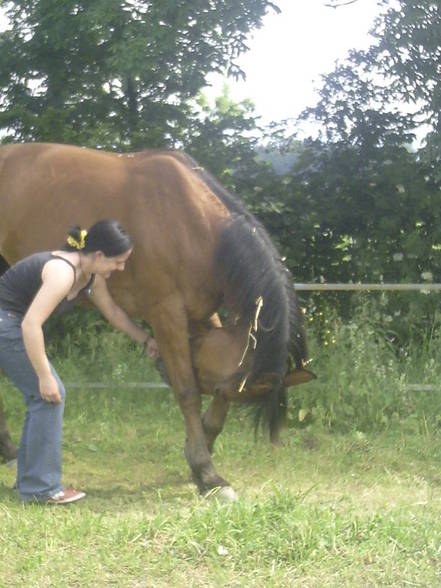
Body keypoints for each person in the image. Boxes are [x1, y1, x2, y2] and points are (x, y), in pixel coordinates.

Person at [0, 220, 159, 504]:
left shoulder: (89, 277)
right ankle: (40, 489)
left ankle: (30, 482)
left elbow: (111, 311)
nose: (120, 269)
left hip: (13, 324)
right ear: (99, 256)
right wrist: (44, 375)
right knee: (49, 394)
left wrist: (145, 340)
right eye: (118, 262)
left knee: (43, 398)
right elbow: (30, 324)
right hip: (7, 323)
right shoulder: (62, 272)